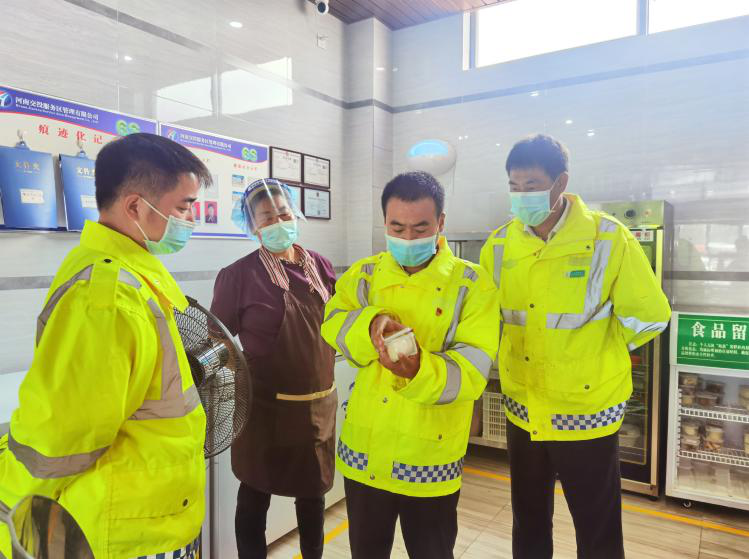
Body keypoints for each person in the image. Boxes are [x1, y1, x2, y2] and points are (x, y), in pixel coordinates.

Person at [0, 133, 210, 559]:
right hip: (128, 529)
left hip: (150, 511)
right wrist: (10, 510)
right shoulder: (107, 298)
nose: (191, 219)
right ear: (135, 207)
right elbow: (63, 436)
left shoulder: (131, 276)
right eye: (183, 206)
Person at [480, 134, 671, 559]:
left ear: (560, 182)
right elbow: (487, 320)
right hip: (524, 409)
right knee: (528, 521)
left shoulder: (608, 238)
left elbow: (650, 317)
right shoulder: (500, 245)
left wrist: (594, 352)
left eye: (531, 186)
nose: (521, 196)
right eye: (514, 186)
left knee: (596, 527)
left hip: (587, 412)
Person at [322, 171, 499, 559]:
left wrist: (419, 372)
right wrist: (369, 325)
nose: (407, 238)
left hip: (429, 456)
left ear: (440, 222)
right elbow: (332, 322)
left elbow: (472, 371)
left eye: (420, 228)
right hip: (365, 451)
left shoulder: (471, 284)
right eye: (397, 227)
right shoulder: (365, 274)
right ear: (384, 222)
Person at [211, 178, 337, 559]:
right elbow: (215, 338)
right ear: (252, 226)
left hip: (317, 408)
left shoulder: (321, 266)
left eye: (283, 213)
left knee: (312, 498)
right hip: (264, 412)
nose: (278, 222)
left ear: (294, 213)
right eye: (267, 217)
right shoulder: (238, 276)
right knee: (254, 497)